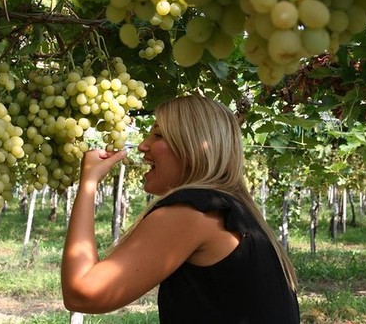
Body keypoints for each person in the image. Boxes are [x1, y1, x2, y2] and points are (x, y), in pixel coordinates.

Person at [61, 94, 300, 323]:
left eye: (158, 135)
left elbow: (81, 293)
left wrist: (89, 184)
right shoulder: (234, 210)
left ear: (193, 147)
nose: (143, 145)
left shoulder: (193, 211)